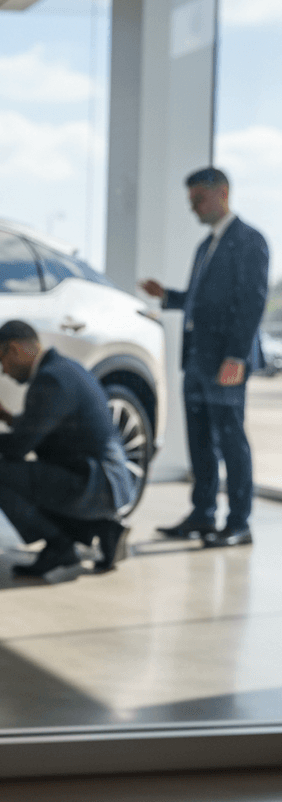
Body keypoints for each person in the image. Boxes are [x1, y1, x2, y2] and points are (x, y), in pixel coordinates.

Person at [0, 320, 135, 579]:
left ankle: (60, 545)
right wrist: (7, 418)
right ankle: (100, 526)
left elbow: (17, 448)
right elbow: (53, 425)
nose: (3, 371)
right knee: (37, 475)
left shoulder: (50, 379)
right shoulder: (67, 368)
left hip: (92, 484)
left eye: (1, 361)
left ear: (15, 350)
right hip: (105, 481)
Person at [140, 167, 269, 547]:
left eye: (198, 198)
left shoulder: (249, 240)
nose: (193, 207)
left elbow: (252, 302)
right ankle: (203, 514)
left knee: (231, 441)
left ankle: (239, 522)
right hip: (197, 360)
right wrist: (167, 297)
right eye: (191, 200)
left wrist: (237, 357)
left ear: (222, 193)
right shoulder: (205, 246)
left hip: (225, 362)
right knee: (200, 442)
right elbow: (200, 302)